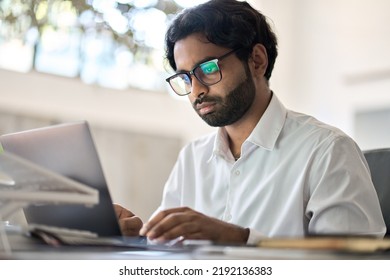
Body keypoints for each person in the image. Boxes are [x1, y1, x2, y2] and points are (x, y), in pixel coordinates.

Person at [114, 0, 386, 245]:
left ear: (256, 60)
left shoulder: (327, 151)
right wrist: (141, 236)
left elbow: (352, 267)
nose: (196, 90)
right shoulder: (192, 159)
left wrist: (241, 239)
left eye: (208, 69)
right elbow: (170, 255)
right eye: (185, 77)